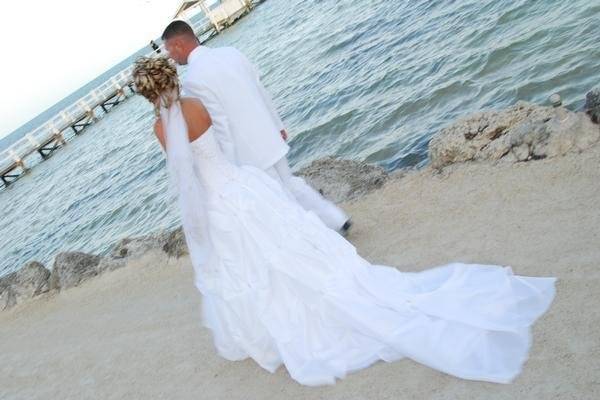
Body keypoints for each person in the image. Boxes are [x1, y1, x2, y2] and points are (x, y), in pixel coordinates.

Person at [132, 56, 556, 387]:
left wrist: (199, 222)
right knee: (286, 246)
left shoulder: (160, 128)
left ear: (149, 94)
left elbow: (185, 178)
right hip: (242, 186)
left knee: (255, 264)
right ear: (171, 77)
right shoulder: (196, 104)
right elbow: (220, 146)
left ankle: (280, 326)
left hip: (219, 201)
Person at [161, 20, 351, 234]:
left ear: (178, 44)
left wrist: (228, 164)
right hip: (268, 134)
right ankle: (337, 219)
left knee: (279, 199)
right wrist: (277, 124)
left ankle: (317, 239)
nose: (171, 57)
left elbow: (220, 122)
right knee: (289, 182)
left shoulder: (194, 79)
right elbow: (259, 88)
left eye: (169, 50)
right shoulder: (231, 53)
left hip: (247, 151)